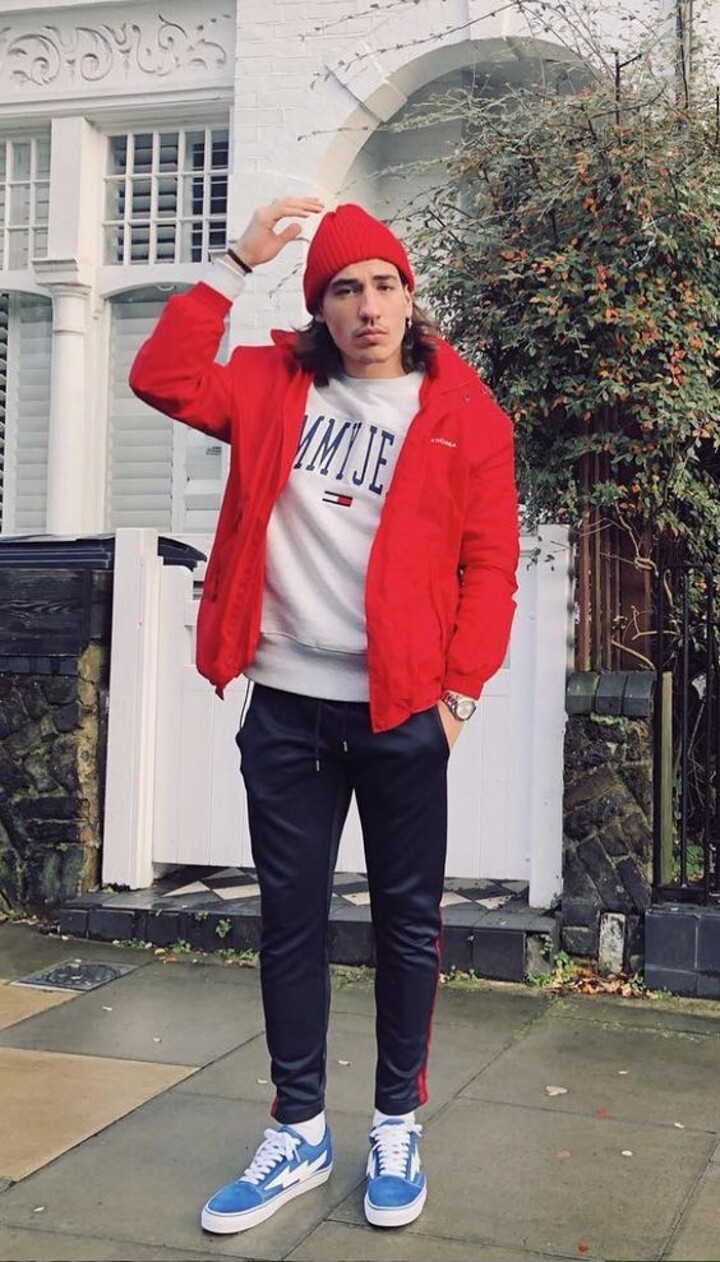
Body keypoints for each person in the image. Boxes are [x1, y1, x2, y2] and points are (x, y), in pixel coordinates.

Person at [129, 197, 519, 1234]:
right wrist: (234, 262)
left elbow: (491, 565)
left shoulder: (464, 412)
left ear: (410, 296)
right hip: (287, 709)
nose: (368, 306)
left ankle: (396, 1122)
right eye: (345, 289)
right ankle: (298, 1127)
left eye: (384, 284)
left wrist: (460, 695)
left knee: (407, 925)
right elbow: (161, 376)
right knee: (290, 921)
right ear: (320, 307)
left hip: (402, 713)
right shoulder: (271, 385)